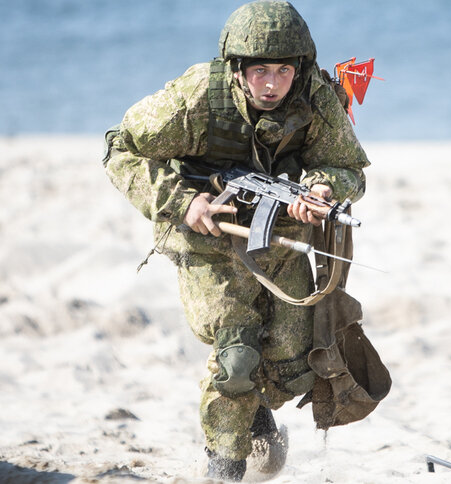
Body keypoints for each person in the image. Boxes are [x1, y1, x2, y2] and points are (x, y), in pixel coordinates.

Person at [102, 1, 378, 480]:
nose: (271, 84)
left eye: (283, 71)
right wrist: (183, 202)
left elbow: (349, 168)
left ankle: (253, 417)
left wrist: (320, 187)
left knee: (294, 363)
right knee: (236, 358)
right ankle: (223, 466)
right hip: (209, 238)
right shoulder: (198, 96)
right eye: (259, 71)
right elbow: (119, 147)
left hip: (281, 237)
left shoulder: (315, 96)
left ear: (300, 67)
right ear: (237, 68)